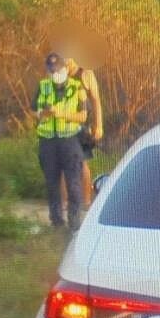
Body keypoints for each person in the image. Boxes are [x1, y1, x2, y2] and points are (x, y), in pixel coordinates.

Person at [34, 52, 88, 230]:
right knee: (52, 183)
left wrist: (62, 114)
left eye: (57, 70)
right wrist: (44, 114)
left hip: (69, 141)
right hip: (48, 142)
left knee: (73, 183)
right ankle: (56, 221)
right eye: (51, 71)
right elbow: (34, 112)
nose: (54, 74)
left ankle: (74, 222)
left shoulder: (77, 87)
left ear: (65, 68)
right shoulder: (42, 86)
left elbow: (83, 116)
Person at [63, 53, 103, 208]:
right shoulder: (58, 71)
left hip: (81, 126)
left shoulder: (85, 73)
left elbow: (96, 100)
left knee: (82, 163)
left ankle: (86, 202)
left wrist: (98, 125)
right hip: (62, 125)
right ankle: (65, 202)